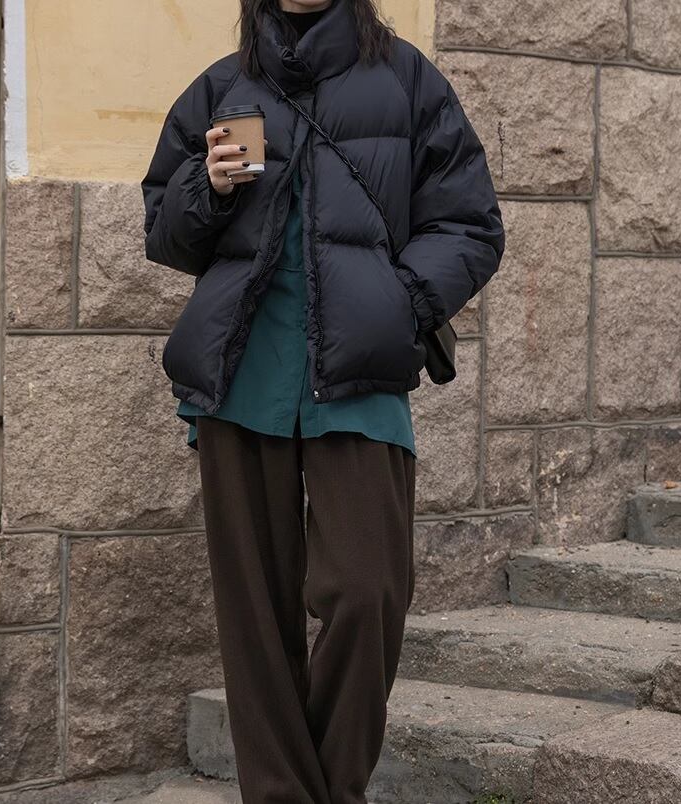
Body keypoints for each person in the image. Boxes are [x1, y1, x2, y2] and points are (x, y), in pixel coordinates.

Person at [140, 0, 504, 801]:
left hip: (357, 375)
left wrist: (397, 303)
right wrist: (207, 186)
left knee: (366, 592)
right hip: (241, 376)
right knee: (256, 616)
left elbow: (471, 225)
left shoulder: (407, 81)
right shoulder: (222, 88)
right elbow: (165, 233)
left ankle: (335, 789)